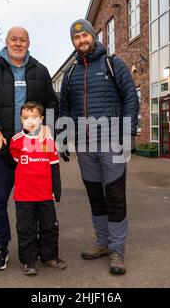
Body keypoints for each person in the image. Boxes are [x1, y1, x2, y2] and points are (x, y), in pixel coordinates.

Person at [0, 26, 58, 271]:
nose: (18, 43)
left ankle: (41, 249)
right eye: (13, 39)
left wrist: (47, 127)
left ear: (29, 42)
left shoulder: (40, 72)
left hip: (34, 152)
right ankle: (1, 246)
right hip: (2, 150)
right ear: (6, 42)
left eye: (22, 40)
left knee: (39, 201)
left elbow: (52, 102)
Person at [59, 19, 139, 274]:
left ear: (93, 36)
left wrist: (127, 135)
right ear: (73, 42)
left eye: (85, 36)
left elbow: (131, 99)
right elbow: (65, 108)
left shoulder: (112, 64)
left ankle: (117, 249)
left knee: (115, 196)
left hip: (112, 142)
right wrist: (63, 138)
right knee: (96, 198)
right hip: (84, 147)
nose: (81, 41)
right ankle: (102, 243)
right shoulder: (70, 73)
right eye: (76, 38)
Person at [9, 101, 66, 276]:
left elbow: (54, 165)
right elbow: (16, 162)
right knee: (27, 228)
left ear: (41, 119)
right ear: (21, 120)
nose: (30, 121)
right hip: (24, 196)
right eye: (26, 117)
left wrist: (56, 188)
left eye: (34, 117)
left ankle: (50, 256)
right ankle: (29, 261)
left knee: (49, 226)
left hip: (45, 195)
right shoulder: (16, 141)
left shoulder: (47, 140)